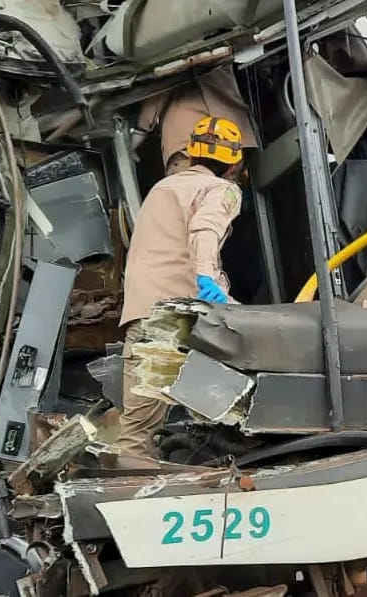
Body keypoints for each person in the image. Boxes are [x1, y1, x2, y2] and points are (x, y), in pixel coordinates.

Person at [115, 116, 246, 458]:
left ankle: (136, 482)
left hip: (143, 313)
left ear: (192, 154)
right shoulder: (222, 190)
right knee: (241, 399)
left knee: (138, 426)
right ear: (234, 164)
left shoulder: (162, 187)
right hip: (176, 318)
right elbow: (204, 231)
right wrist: (207, 278)